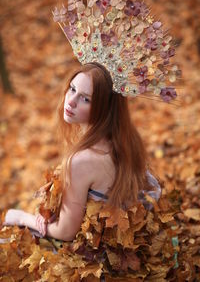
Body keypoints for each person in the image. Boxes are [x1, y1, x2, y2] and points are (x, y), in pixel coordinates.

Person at [3, 61, 161, 241]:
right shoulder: (126, 139)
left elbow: (66, 233)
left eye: (85, 99)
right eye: (72, 89)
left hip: (97, 257)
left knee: (8, 231)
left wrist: (22, 218)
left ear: (104, 108)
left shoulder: (82, 160)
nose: (70, 101)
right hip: (124, 241)